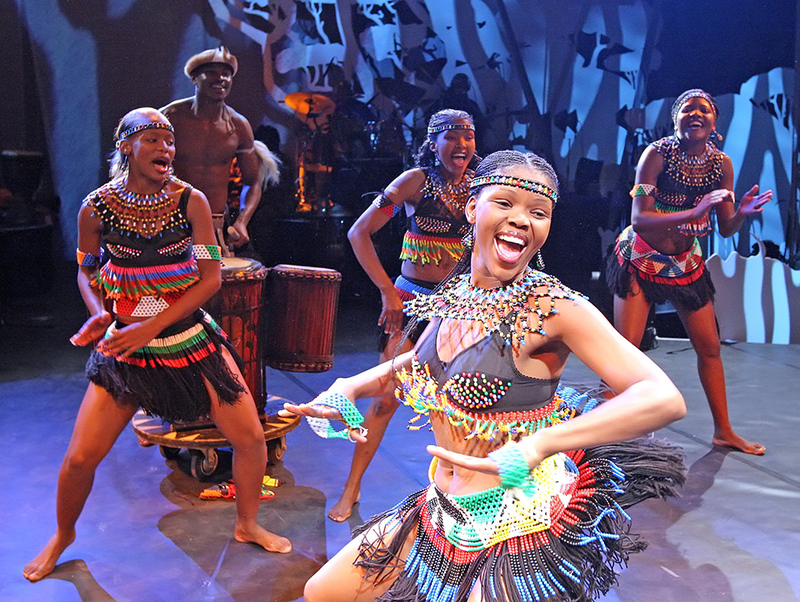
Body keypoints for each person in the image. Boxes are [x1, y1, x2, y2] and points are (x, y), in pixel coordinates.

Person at [282, 149, 687, 601]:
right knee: (323, 592)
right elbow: (421, 363)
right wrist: (351, 386)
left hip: (516, 521)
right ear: (473, 208)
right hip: (441, 507)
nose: (521, 219)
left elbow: (662, 397)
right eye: (505, 203)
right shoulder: (457, 292)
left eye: (538, 212)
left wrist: (537, 446)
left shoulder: (555, 307)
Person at [23, 108, 291, 583]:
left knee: (250, 439)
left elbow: (210, 278)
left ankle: (247, 523)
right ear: (126, 146)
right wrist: (99, 312)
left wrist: (152, 326)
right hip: (126, 347)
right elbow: (87, 270)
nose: (165, 149)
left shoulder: (191, 202)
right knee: (80, 458)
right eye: (152, 140)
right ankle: (62, 535)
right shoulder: (95, 207)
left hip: (190, 338)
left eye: (169, 142)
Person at [330, 109, 478, 522]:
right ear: (433, 143)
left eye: (468, 136)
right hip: (410, 303)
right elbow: (359, 232)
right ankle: (352, 487)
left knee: (456, 408)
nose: (462, 145)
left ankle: (456, 495)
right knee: (384, 402)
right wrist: (386, 292)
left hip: (458, 309)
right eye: (451, 136)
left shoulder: (482, 184)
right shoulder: (415, 182)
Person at [606, 88, 771, 455]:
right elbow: (640, 219)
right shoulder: (656, 154)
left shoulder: (721, 164)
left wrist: (741, 213)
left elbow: (725, 228)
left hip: (685, 264)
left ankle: (724, 431)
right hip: (641, 258)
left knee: (710, 348)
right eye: (687, 109)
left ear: (714, 123)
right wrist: (694, 213)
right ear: (675, 118)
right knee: (626, 350)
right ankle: (600, 434)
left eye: (704, 110)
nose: (695, 114)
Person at [160, 47, 261, 254]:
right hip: (167, 223)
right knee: (167, 274)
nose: (220, 78)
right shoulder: (169, 117)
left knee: (212, 273)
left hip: (212, 227)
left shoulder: (238, 125)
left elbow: (253, 182)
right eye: (211, 72)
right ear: (194, 78)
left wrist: (242, 221)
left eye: (226, 74)